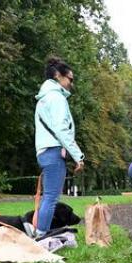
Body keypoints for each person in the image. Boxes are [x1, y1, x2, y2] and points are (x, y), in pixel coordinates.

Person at [34, 57, 84, 238]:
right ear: (57, 76)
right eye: (70, 79)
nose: (71, 83)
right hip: (53, 151)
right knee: (51, 197)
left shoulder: (45, 98)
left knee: (48, 196)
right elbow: (62, 130)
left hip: (46, 151)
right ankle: (40, 236)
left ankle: (39, 232)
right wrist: (79, 156)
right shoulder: (56, 98)